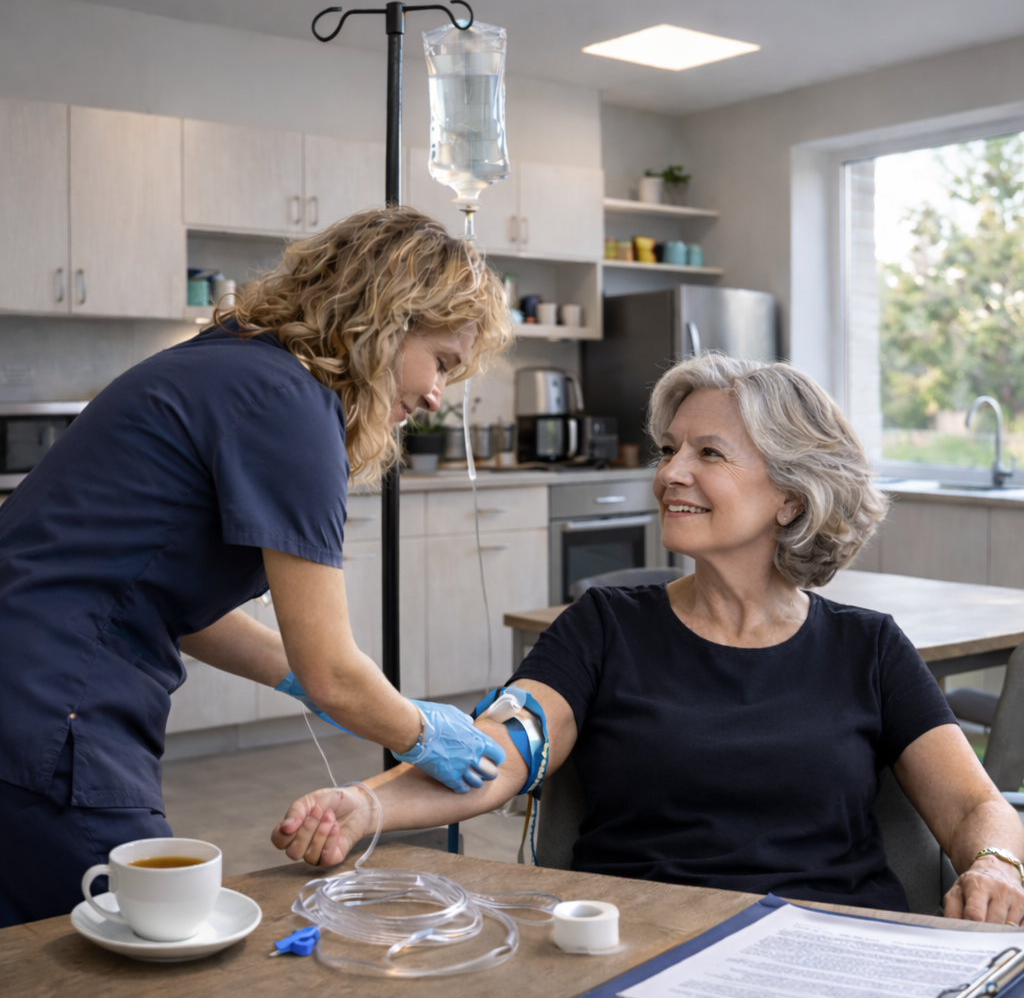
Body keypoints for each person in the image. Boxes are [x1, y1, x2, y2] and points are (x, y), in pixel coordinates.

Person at [274, 353, 1024, 924]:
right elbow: (499, 755)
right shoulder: (603, 627)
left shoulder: (870, 649)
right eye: (670, 450)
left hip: (826, 942)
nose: (670, 474)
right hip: (644, 941)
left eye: (708, 453)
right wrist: (369, 805)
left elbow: (971, 809)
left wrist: (995, 866)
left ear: (791, 497)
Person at [0, 208, 512, 927]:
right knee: (125, 941)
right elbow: (334, 667)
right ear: (390, 319)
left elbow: (176, 600)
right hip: (50, 709)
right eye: (443, 363)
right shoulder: (289, 405)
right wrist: (419, 731)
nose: (435, 397)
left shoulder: (230, 364)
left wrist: (292, 673)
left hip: (27, 690)